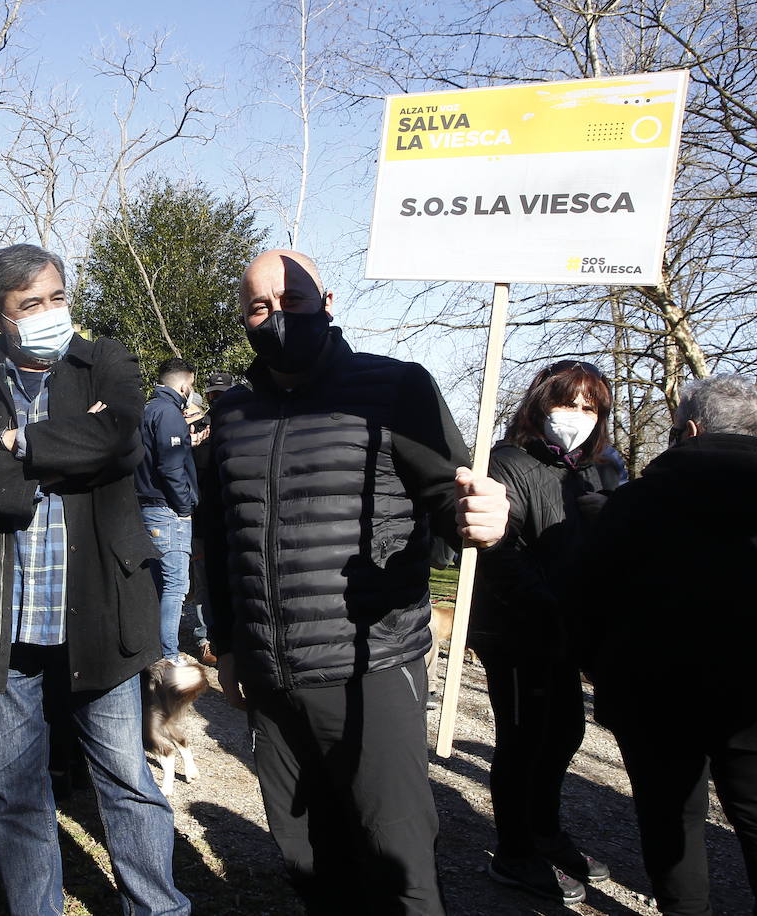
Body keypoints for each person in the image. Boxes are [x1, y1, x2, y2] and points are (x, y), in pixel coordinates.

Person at [199, 249, 508, 915]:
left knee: (396, 864)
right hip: (271, 679)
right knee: (308, 859)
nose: (278, 316)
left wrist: (484, 515)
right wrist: (227, 646)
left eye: (294, 300)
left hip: (370, 667)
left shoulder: (397, 388)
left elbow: (451, 501)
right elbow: (219, 539)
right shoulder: (231, 416)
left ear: (328, 302)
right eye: (260, 306)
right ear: (244, 317)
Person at [0, 243, 189, 915]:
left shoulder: (103, 359)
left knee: (126, 778)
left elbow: (120, 443)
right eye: (29, 305)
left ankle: (157, 907)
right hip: (3, 616)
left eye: (56, 298)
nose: (49, 314)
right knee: (13, 790)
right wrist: (72, 449)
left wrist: (19, 443)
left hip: (97, 611)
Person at [579, 374, 757, 916]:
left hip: (655, 693)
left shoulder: (635, 502)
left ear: (688, 428)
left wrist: (600, 670)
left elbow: (591, 596)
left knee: (671, 818)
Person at [469, 360, 621, 903]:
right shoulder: (506, 463)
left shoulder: (600, 467)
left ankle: (544, 829)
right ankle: (514, 853)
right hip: (517, 630)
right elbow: (502, 553)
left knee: (564, 734)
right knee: (522, 739)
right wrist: (553, 611)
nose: (576, 417)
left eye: (590, 408)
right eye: (567, 403)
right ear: (541, 403)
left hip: (572, 629)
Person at [135, 357, 200, 662]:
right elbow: (171, 467)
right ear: (185, 382)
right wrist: (185, 506)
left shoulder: (146, 409)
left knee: (156, 585)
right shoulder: (170, 413)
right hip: (168, 510)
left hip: (146, 508)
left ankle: (153, 652)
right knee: (175, 586)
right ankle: (169, 656)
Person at [189, 371, 235, 665]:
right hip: (203, 523)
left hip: (236, 524)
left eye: (222, 394)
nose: (217, 400)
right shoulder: (195, 432)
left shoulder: (247, 426)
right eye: (212, 395)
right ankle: (206, 640)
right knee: (205, 584)